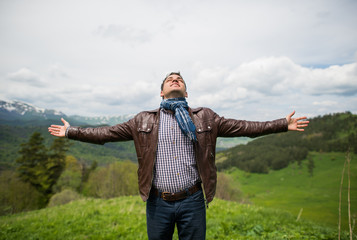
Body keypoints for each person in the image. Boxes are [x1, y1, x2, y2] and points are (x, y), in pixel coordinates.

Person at [48, 72, 309, 240]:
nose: (175, 80)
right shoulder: (142, 120)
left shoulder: (206, 117)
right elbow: (105, 133)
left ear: (186, 93)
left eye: (180, 80)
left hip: (193, 200)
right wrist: (72, 132)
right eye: (170, 79)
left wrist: (280, 124)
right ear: (161, 92)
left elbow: (245, 127)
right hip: (158, 202)